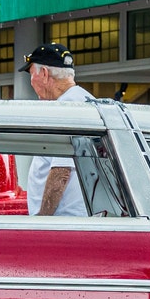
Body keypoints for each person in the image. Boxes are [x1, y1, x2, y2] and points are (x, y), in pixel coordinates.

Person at [21, 43, 92, 216]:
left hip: (62, 222)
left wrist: (43, 220)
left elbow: (61, 172)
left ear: (44, 73)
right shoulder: (86, 101)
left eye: (31, 75)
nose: (31, 82)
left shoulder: (65, 110)